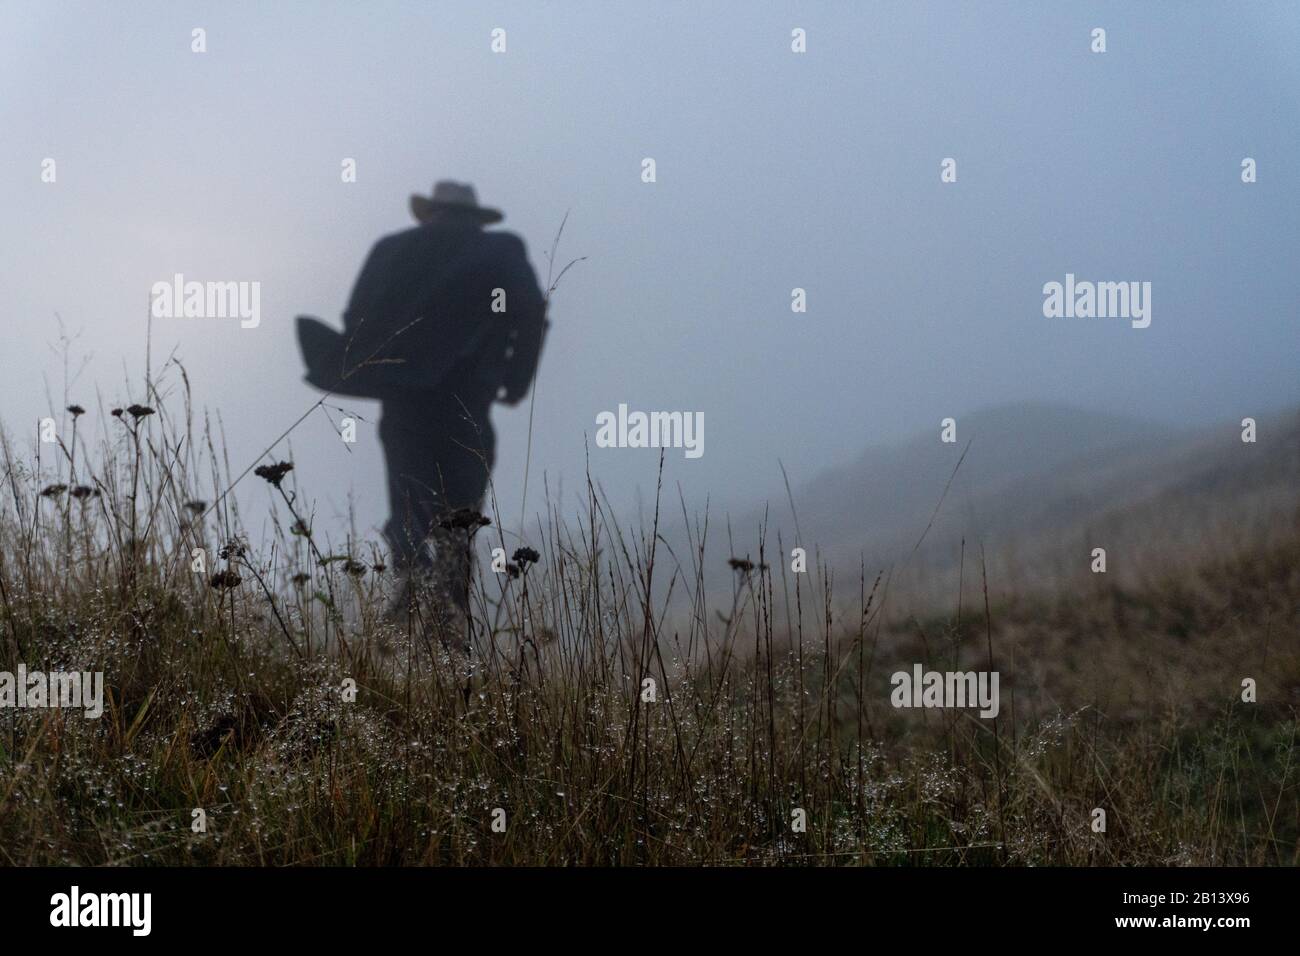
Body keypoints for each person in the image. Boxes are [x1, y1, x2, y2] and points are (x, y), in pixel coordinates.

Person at [297, 181, 547, 612]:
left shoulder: (392, 250)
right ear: (474, 216)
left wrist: (391, 357)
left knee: (409, 502)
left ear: (430, 211)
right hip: (469, 400)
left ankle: (412, 590)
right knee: (460, 517)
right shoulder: (502, 250)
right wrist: (516, 382)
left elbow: (355, 319)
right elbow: (530, 313)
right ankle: (450, 617)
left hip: (404, 400)